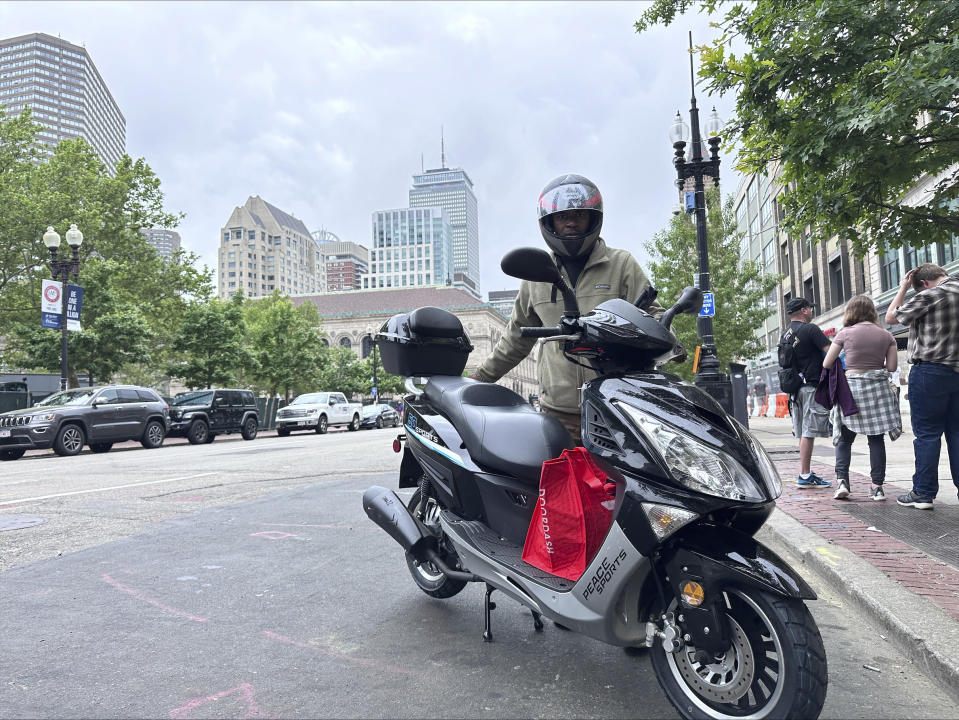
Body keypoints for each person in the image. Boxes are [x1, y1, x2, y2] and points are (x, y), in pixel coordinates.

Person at [471, 174, 666, 444]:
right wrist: (480, 377)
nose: (571, 222)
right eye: (563, 217)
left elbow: (654, 316)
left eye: (579, 214)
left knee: (627, 484)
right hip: (559, 411)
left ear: (593, 218)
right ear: (549, 222)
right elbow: (516, 339)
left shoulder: (622, 264)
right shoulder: (535, 273)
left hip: (618, 405)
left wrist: (672, 343)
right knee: (560, 483)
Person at [885, 263, 959, 510]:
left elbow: (892, 317)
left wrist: (904, 287)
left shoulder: (932, 294)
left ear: (924, 283)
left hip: (929, 371)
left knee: (927, 434)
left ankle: (923, 493)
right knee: (957, 435)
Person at [822, 295, 901, 501]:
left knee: (844, 439)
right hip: (877, 390)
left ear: (851, 312)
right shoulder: (886, 335)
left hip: (851, 392)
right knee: (876, 439)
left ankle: (842, 482)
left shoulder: (844, 333)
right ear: (872, 312)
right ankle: (877, 488)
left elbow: (827, 363)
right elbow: (891, 367)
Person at [782, 297, 833, 487]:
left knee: (803, 430)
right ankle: (804, 474)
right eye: (810, 308)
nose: (811, 311)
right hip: (811, 386)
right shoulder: (810, 329)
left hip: (795, 389)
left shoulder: (785, 333)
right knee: (809, 431)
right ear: (804, 311)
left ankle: (805, 472)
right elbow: (830, 352)